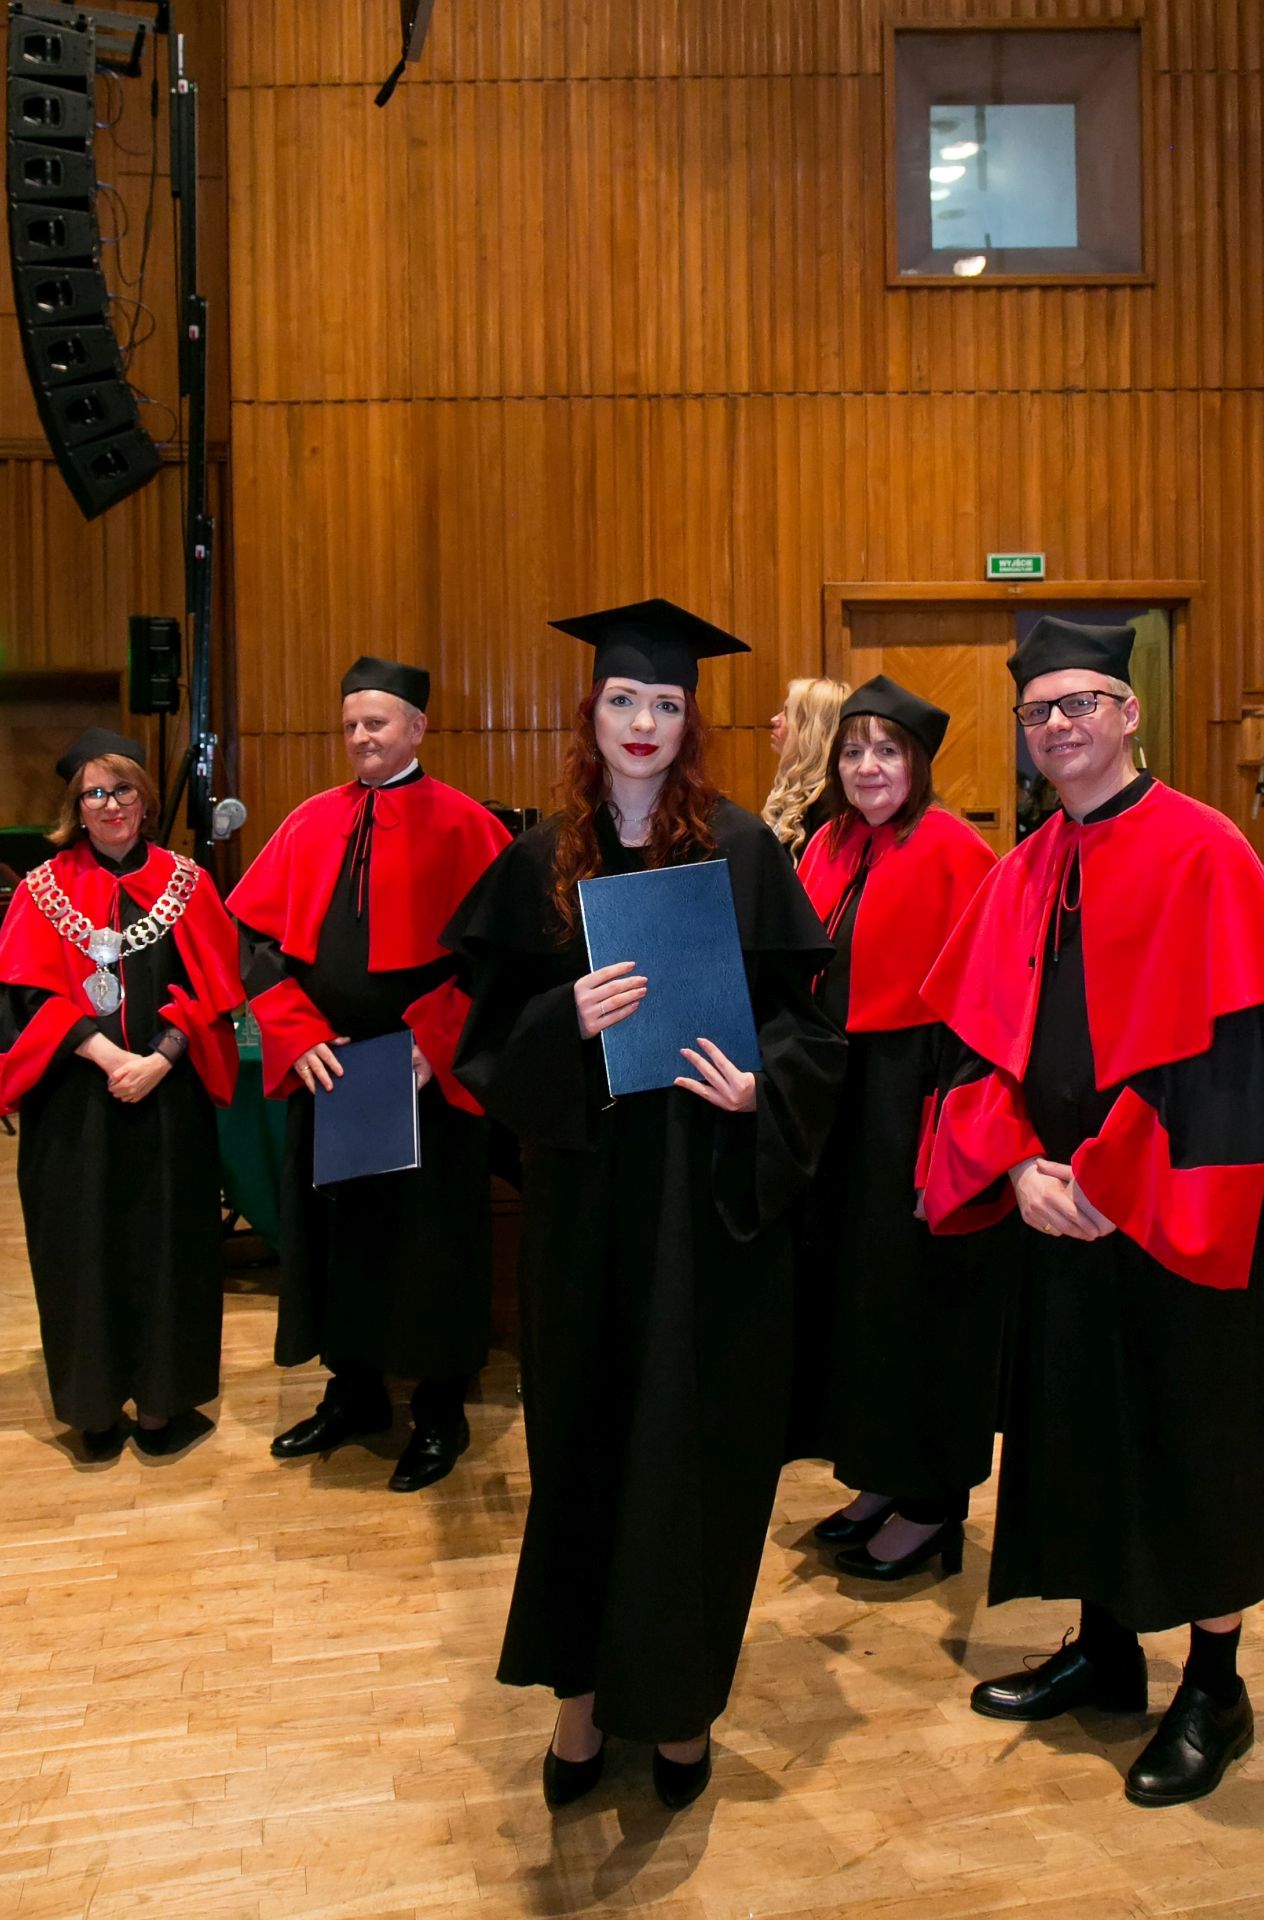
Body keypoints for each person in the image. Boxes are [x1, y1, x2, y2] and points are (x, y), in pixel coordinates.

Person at [445, 598, 845, 1812]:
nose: (642, 722)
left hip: (702, 1206)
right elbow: (483, 1042)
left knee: (691, 1452)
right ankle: (576, 1703)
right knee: (582, 1447)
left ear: (687, 722)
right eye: (623, 699)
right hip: (585, 1210)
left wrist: (757, 1087)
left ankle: (677, 1709)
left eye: (664, 704)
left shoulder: (743, 852)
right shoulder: (538, 864)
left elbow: (809, 1032)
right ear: (591, 713)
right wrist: (560, 1021)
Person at [919, 615, 1264, 1808]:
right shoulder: (1024, 868)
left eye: (1079, 703)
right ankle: (1105, 1651)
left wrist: (1112, 1182)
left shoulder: (1206, 851)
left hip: (1169, 1203)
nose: (1058, 724)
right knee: (1073, 1431)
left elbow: (1228, 1062)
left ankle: (1213, 1687)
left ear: (1127, 713)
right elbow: (973, 1050)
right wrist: (1017, 1166)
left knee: (1190, 1440)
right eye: (1038, 710)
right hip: (1054, 1201)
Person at [228, 658, 510, 1492]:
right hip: (330, 1070)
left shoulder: (465, 825)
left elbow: (499, 958)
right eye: (351, 724)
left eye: (376, 723)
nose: (360, 737)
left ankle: (440, 1410)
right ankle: (353, 1393)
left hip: (424, 1075)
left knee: (432, 1246)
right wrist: (294, 1031)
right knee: (338, 1239)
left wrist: (436, 1038)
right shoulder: (310, 820)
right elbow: (256, 943)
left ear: (417, 728)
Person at [788, 677, 1005, 1579]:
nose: (867, 767)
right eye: (852, 751)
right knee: (857, 1301)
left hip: (915, 1099)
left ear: (918, 763)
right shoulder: (827, 844)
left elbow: (986, 1009)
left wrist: (951, 1136)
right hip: (839, 1099)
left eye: (887, 750)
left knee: (917, 1303)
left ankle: (931, 1504)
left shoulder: (957, 851)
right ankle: (876, 1474)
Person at [0, 727, 242, 1459]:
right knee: (81, 1252)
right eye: (94, 793)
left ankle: (162, 1407)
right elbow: (24, 1000)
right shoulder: (41, 891)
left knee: (170, 1249)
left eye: (122, 788)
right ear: (76, 807)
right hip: (74, 1106)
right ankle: (93, 1410)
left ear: (144, 796)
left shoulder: (187, 883)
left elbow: (214, 989)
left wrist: (159, 1058)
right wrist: (104, 1055)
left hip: (168, 1098)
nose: (110, 804)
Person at [762, 676, 850, 863]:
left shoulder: (833, 801)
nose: (774, 719)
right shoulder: (797, 789)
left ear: (811, 728)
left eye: (787, 713)